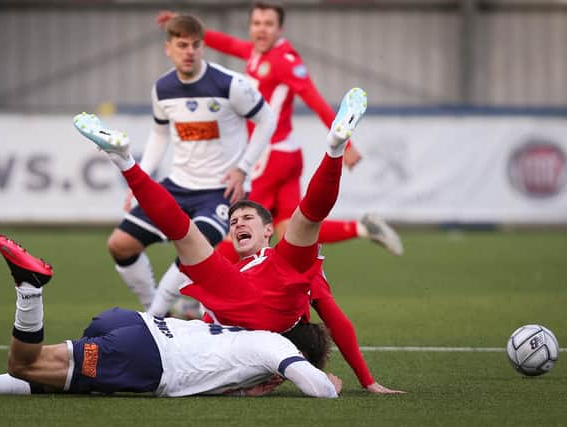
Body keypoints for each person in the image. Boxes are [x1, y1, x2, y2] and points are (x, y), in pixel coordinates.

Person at [75, 87, 402, 394]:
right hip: (241, 295)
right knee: (186, 233)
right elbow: (210, 333)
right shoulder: (234, 267)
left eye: (247, 219)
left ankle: (334, 147)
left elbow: (336, 320)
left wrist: (367, 380)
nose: (238, 223)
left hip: (279, 291)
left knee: (303, 219)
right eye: (233, 221)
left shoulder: (281, 263)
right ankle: (124, 159)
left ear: (267, 231)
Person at [0, 233, 340, 398]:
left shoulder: (241, 335)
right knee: (25, 365)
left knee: (72, 379)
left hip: (135, 326)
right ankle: (29, 289)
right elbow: (316, 388)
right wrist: (328, 381)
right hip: (149, 356)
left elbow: (237, 381)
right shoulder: (271, 345)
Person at [156, 5, 403, 253]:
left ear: (280, 29)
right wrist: (185, 26)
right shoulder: (257, 53)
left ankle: (190, 289)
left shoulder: (283, 60)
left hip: (268, 157)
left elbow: (313, 98)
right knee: (290, 230)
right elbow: (230, 44)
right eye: (256, 23)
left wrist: (346, 144)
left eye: (268, 24)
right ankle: (363, 228)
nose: (261, 30)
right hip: (287, 156)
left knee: (237, 233)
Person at [105, 14, 276, 313]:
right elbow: (160, 134)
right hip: (178, 186)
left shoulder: (230, 84)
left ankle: (153, 320)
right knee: (120, 245)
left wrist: (243, 167)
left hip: (220, 192)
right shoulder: (163, 89)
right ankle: (158, 309)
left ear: (203, 47)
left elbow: (267, 119)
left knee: (190, 254)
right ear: (168, 48)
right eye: (182, 45)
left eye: (196, 45)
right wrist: (140, 182)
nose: (190, 52)